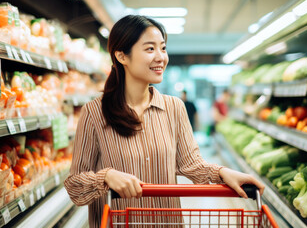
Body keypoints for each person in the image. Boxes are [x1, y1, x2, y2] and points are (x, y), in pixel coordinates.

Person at [64, 15, 264, 228]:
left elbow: (191, 164)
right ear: (122, 56)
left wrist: (223, 173)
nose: (161, 57)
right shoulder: (95, 112)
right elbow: (75, 186)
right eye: (150, 49)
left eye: (163, 48)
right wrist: (106, 177)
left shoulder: (174, 108)